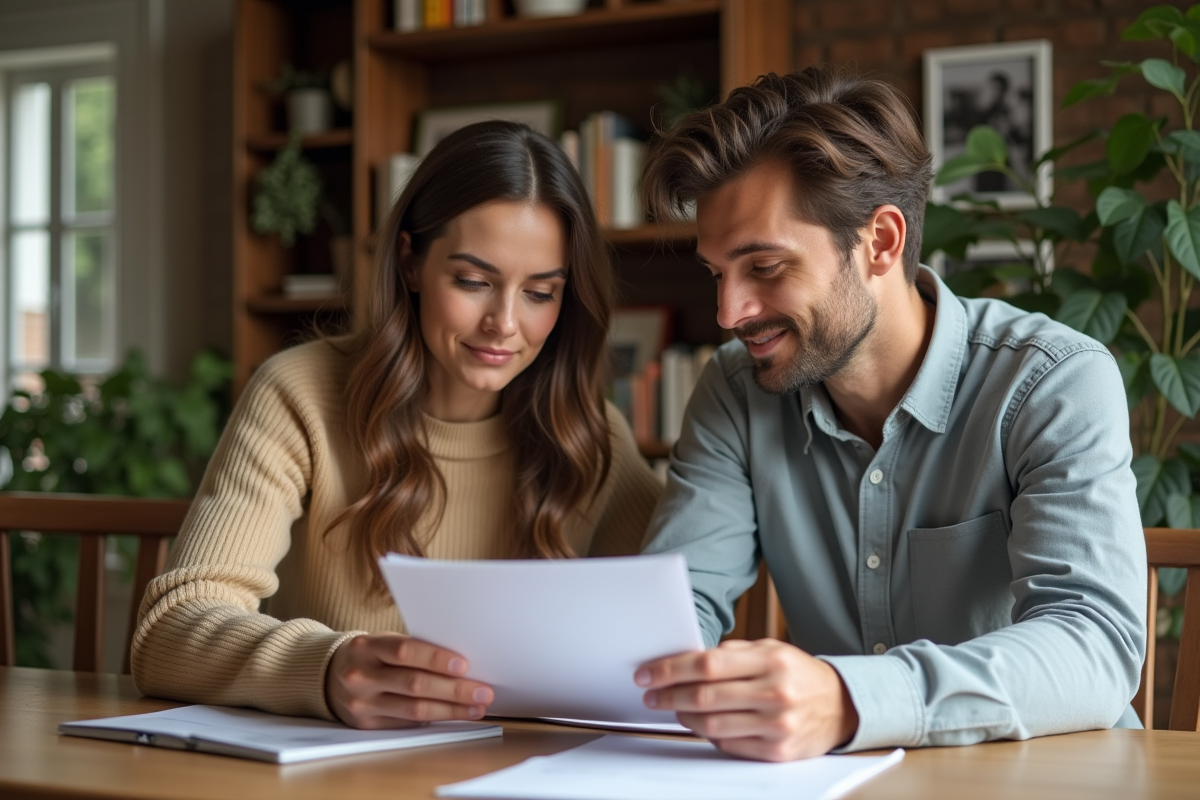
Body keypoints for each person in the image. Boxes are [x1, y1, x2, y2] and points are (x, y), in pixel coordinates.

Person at [633, 67, 1146, 761]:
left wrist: (850, 700)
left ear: (880, 241)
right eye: (717, 273)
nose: (729, 313)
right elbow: (675, 612)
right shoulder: (733, 391)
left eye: (765, 267)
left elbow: (1095, 645)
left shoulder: (1053, 381)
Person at [132, 121, 663, 728]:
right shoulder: (300, 394)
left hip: (517, 766)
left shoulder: (590, 434)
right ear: (410, 261)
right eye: (473, 282)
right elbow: (168, 632)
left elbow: (682, 615)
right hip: (336, 770)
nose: (504, 323)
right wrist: (326, 668)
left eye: (540, 293)